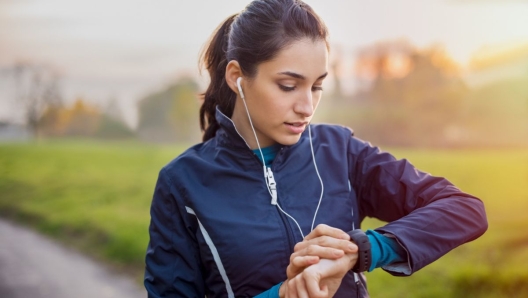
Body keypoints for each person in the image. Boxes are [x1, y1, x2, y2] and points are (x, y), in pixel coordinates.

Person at [143, 0, 488, 297]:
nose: (307, 106)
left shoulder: (342, 152)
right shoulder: (183, 183)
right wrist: (281, 294)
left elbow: (463, 209)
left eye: (317, 86)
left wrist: (362, 249)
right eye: (289, 85)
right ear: (237, 77)